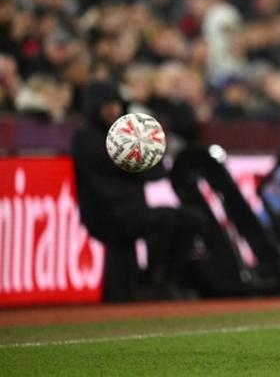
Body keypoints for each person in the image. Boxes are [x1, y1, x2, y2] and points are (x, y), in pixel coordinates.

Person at [72, 80, 205, 300]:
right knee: (167, 220)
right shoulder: (86, 138)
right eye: (107, 105)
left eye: (116, 104)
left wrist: (149, 151)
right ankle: (152, 282)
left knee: (191, 218)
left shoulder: (124, 137)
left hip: (132, 211)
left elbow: (154, 171)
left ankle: (167, 280)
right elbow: (126, 164)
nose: (114, 110)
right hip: (106, 214)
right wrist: (147, 149)